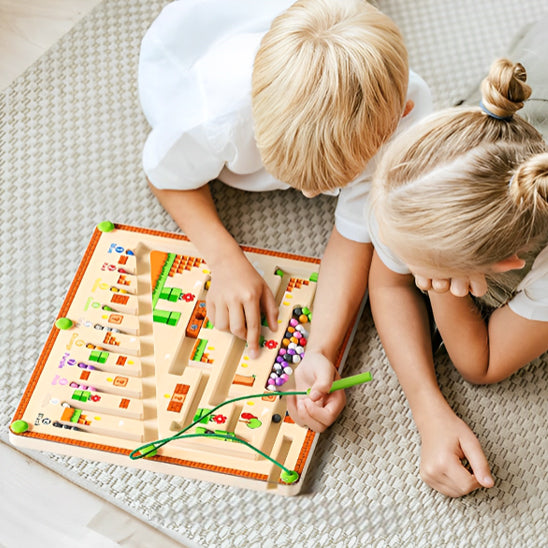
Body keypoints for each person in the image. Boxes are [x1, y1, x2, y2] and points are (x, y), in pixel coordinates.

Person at [138, 0, 432, 430]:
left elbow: (355, 234)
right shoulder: (214, 114)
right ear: (256, 121)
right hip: (191, 39)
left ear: (397, 121)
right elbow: (165, 176)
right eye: (293, 176)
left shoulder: (407, 110)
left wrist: (320, 350)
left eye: (329, 181)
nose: (312, 194)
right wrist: (224, 259)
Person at [368, 57, 548, 497]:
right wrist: (428, 409)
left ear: (506, 262)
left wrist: (441, 291)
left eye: (420, 270)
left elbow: (480, 363)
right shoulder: (423, 169)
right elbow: (387, 283)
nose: (406, 270)